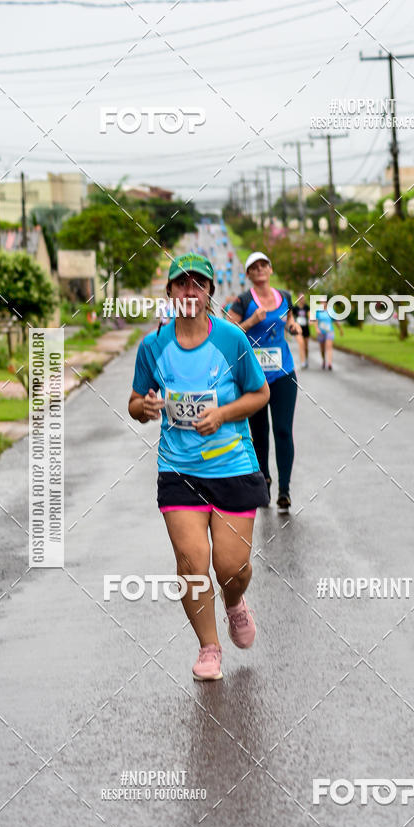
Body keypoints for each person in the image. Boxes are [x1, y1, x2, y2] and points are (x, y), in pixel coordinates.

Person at [128, 253, 270, 682]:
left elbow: (260, 394)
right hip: (179, 470)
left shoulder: (230, 340)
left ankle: (234, 602)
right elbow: (134, 403)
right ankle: (209, 648)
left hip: (232, 466)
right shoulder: (153, 347)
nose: (190, 291)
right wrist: (146, 406)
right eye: (182, 284)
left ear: (209, 292)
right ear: (170, 292)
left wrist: (224, 414)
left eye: (199, 284)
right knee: (192, 562)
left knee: (231, 568)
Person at [228, 251, 300, 513]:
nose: (259, 270)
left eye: (263, 265)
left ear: (270, 269)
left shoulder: (285, 297)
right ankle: (264, 481)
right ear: (248, 274)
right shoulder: (243, 300)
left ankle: (284, 490)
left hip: (283, 373)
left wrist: (293, 327)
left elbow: (289, 318)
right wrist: (250, 321)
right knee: (259, 435)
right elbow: (230, 331)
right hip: (255, 378)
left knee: (283, 431)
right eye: (254, 267)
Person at [312, 301, 343, 370]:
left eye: (324, 302)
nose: (322, 303)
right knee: (322, 349)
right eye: (321, 302)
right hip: (321, 332)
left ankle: (329, 363)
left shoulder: (331, 311)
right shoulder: (318, 311)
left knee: (329, 347)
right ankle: (324, 360)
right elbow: (315, 321)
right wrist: (317, 329)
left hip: (329, 331)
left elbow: (335, 321)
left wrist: (340, 329)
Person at [292, 294, 311, 369]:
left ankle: (306, 359)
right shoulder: (295, 308)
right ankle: (302, 362)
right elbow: (292, 318)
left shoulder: (306, 307)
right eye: (300, 298)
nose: (302, 299)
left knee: (306, 347)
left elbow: (309, 315)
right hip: (298, 329)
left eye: (303, 298)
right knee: (301, 345)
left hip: (306, 328)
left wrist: (310, 320)